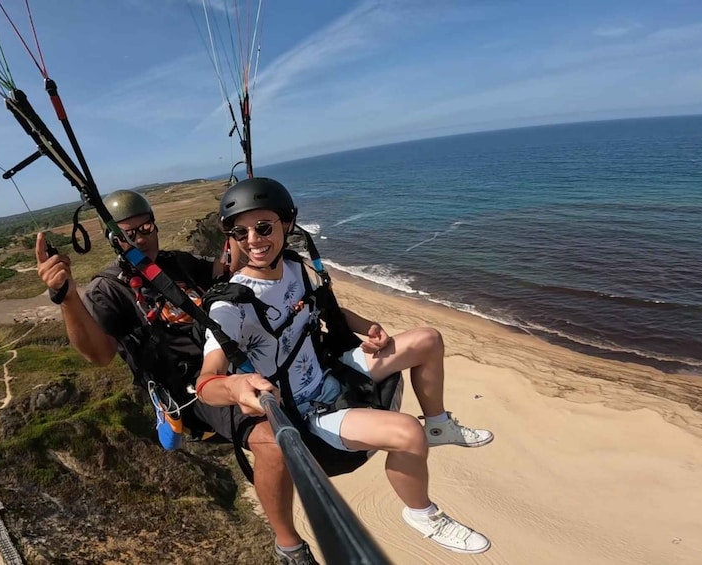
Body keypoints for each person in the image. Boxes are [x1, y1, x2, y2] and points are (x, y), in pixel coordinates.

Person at [196, 177, 495, 555]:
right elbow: (206, 380)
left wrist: (366, 328)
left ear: (286, 225)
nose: (253, 240)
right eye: (241, 232)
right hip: (306, 410)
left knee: (428, 339)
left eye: (263, 227)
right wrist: (236, 387)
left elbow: (325, 307)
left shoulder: (292, 265)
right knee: (406, 434)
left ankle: (438, 425)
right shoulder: (230, 307)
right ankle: (423, 513)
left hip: (327, 371)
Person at [35, 189, 319, 565]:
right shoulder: (110, 289)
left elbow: (227, 274)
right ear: (113, 241)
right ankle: (289, 546)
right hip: (190, 389)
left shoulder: (176, 263)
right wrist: (67, 296)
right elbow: (99, 354)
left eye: (146, 228)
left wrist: (240, 227)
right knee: (270, 441)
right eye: (127, 235)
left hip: (230, 356)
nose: (140, 239)